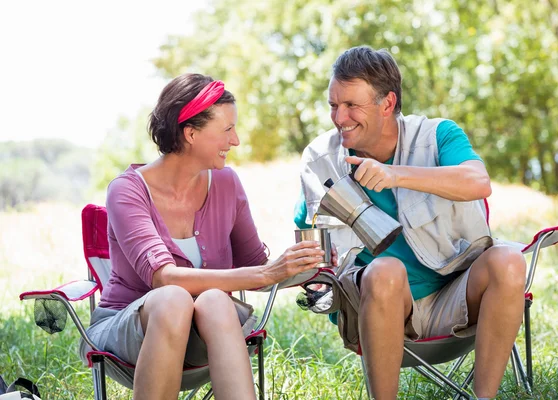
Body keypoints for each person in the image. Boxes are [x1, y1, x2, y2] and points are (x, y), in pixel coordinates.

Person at [295, 46, 526, 399]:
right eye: (333, 105)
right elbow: (306, 236)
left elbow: (478, 182)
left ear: (387, 104)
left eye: (351, 105)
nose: (339, 117)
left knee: (509, 260)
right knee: (386, 270)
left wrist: (396, 175)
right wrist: (313, 282)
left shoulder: (437, 136)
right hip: (374, 307)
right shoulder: (319, 158)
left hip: (455, 295)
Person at [80, 73, 327, 400]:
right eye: (227, 129)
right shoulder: (127, 190)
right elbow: (164, 279)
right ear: (191, 133)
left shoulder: (227, 184)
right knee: (173, 298)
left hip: (206, 332)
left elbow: (256, 268)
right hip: (128, 335)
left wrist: (302, 266)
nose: (235, 141)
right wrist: (266, 272)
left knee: (213, 299)